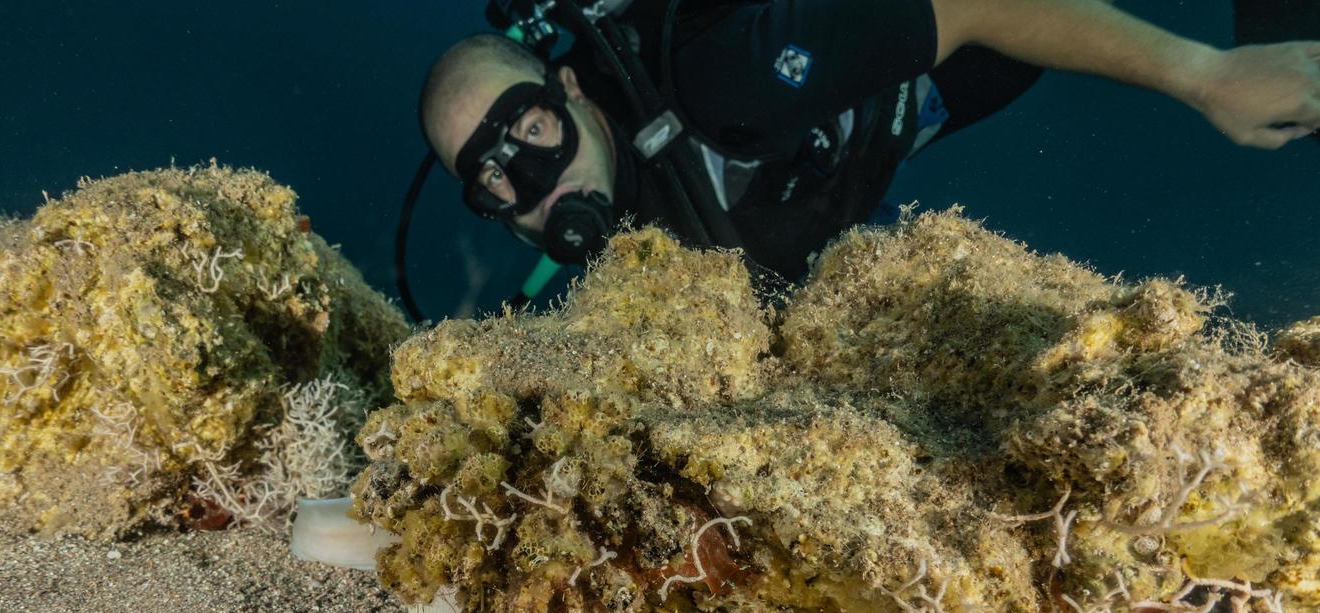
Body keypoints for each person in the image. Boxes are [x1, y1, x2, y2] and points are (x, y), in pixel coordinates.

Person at [418, 0, 1320, 288]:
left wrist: (1205, 75)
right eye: (494, 181)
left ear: (570, 90)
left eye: (531, 131)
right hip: (917, 97)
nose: (535, 184)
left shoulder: (723, 86)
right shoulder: (610, 260)